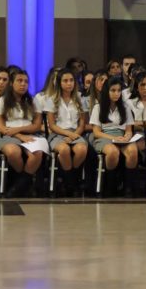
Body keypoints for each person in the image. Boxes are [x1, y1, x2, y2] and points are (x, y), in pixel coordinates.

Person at [0, 70, 45, 198]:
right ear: (11, 83)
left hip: (29, 133)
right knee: (13, 152)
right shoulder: (2, 101)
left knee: (37, 152)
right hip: (7, 135)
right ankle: (24, 183)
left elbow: (36, 126)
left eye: (26, 82)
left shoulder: (33, 101)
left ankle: (19, 186)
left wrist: (18, 130)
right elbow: (0, 127)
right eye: (19, 81)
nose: (23, 84)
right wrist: (19, 135)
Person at [90, 77, 139, 197]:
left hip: (121, 136)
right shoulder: (98, 107)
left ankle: (128, 187)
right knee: (112, 152)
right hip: (104, 136)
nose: (116, 93)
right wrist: (113, 138)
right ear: (107, 91)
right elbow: (96, 132)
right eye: (113, 90)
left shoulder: (125, 107)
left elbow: (128, 130)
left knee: (133, 151)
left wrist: (127, 136)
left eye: (119, 90)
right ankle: (111, 184)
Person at [45, 68, 88, 197]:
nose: (69, 83)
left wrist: (75, 134)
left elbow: (82, 124)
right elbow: (52, 125)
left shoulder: (80, 98)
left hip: (75, 132)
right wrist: (68, 134)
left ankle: (69, 178)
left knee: (81, 149)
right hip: (58, 133)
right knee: (64, 150)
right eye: (65, 81)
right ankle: (71, 183)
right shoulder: (52, 99)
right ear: (59, 83)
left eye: (71, 80)